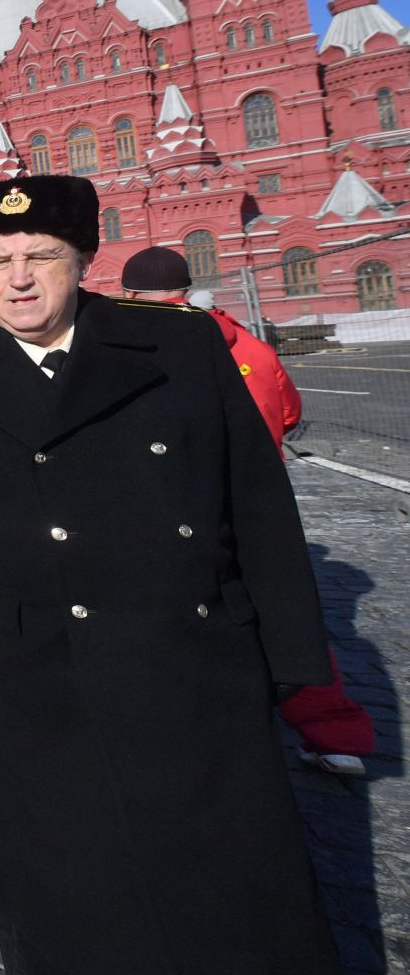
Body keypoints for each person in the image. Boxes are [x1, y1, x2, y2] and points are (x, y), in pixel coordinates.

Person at [0, 174, 343, 975]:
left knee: (233, 890)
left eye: (40, 255)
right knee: (75, 894)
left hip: (195, 657)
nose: (19, 277)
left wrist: (295, 648)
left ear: (82, 258)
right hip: (35, 673)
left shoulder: (177, 343)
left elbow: (257, 501)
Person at [125, 249, 373, 779]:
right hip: (261, 506)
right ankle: (336, 738)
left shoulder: (150, 349)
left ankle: (193, 736)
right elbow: (288, 413)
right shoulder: (253, 346)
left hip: (182, 507)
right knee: (288, 617)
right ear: (187, 288)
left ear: (132, 296)